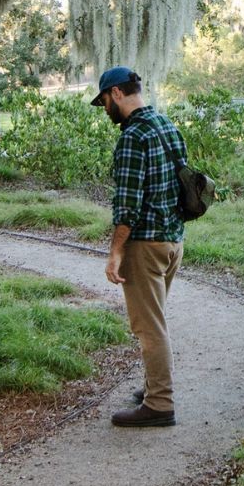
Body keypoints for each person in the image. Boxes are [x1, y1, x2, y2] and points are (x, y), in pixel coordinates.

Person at [95, 65, 187, 427]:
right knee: (156, 320)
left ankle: (160, 405)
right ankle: (153, 387)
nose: (104, 109)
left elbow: (128, 203)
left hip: (145, 245)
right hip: (173, 241)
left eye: (104, 101)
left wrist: (116, 251)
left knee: (148, 327)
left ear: (116, 93)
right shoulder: (166, 125)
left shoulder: (133, 136)